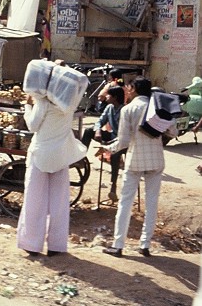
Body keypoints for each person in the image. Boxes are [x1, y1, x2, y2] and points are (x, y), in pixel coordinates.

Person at [17, 63, 88, 257]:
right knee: (59, 203)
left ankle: (32, 244)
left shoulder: (43, 103)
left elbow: (32, 126)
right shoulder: (70, 105)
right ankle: (57, 245)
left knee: (35, 200)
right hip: (61, 156)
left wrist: (27, 105)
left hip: (41, 155)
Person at [102, 78, 175, 257]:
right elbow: (173, 132)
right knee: (152, 203)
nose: (127, 90)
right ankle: (145, 245)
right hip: (156, 159)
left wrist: (108, 148)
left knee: (125, 202)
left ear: (133, 89)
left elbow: (124, 142)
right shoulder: (158, 107)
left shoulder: (129, 109)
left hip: (135, 160)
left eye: (128, 87)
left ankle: (118, 245)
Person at [81, 86, 125, 202]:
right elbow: (100, 121)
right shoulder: (110, 107)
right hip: (111, 137)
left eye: (109, 95)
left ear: (115, 97)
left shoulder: (124, 110)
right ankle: (80, 157)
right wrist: (98, 130)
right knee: (88, 131)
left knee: (115, 156)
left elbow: (124, 133)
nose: (107, 97)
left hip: (122, 141)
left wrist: (112, 143)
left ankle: (113, 186)